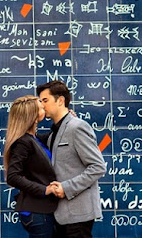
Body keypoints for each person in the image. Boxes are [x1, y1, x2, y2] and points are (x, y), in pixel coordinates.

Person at [36, 81, 106, 238]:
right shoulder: (54, 133)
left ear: (60, 100)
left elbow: (98, 167)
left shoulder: (77, 127)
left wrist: (66, 188)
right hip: (61, 215)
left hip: (78, 214)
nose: (42, 106)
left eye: (45, 101)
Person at [4, 95, 59, 238]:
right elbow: (12, 177)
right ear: (33, 116)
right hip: (37, 212)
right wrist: (44, 190)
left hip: (41, 211)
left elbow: (55, 136)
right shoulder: (23, 142)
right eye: (41, 107)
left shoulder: (34, 139)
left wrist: (63, 119)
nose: (44, 107)